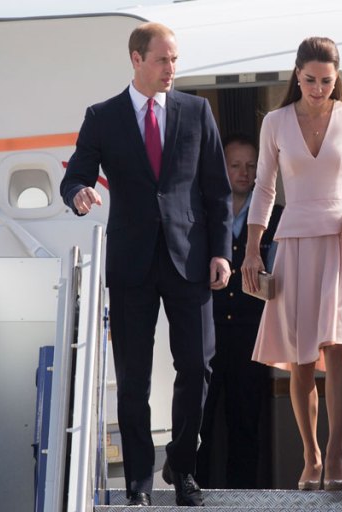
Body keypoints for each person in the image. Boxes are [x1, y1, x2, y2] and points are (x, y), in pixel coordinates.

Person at [59, 22, 232, 507]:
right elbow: (74, 175)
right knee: (132, 378)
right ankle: (138, 481)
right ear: (136, 59)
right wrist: (79, 193)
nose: (172, 69)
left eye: (175, 59)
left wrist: (221, 250)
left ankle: (181, 463)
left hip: (190, 259)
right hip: (132, 262)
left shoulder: (197, 112)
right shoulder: (103, 116)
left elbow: (217, 191)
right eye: (162, 60)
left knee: (197, 367)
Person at [241, 36, 342, 492]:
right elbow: (264, 189)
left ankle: (336, 453)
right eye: (311, 79)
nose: (319, 88)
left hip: (341, 238)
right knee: (301, 360)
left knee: (336, 351)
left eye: (327, 80)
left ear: (336, 78)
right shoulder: (276, 123)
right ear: (296, 74)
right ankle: (311, 455)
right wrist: (252, 247)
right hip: (294, 242)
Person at [195, 134, 283, 489]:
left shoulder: (277, 217)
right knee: (199, 418)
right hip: (206, 331)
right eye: (235, 165)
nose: (244, 173)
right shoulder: (201, 212)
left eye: (251, 166)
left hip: (253, 335)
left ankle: (244, 496)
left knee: (246, 420)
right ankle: (193, 490)